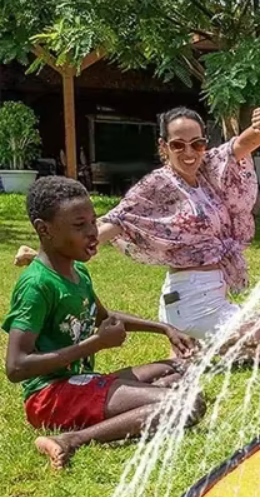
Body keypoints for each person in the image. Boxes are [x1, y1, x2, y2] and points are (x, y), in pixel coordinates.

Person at [15, 106, 260, 367]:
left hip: (209, 295)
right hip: (192, 302)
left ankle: (196, 351)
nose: (189, 152)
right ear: (163, 147)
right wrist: (48, 255)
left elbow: (238, 147)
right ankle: (196, 348)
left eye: (197, 143)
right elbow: (117, 221)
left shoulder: (206, 170)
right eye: (178, 145)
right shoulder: (158, 185)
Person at [3, 177, 205, 469]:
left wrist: (165, 329)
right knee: (188, 404)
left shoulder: (78, 272)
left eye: (93, 222)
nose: (92, 233)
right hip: (49, 398)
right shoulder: (37, 285)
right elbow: (16, 367)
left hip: (81, 383)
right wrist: (95, 344)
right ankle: (71, 440)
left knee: (181, 370)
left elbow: (105, 317)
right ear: (44, 229)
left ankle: (132, 404)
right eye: (79, 226)